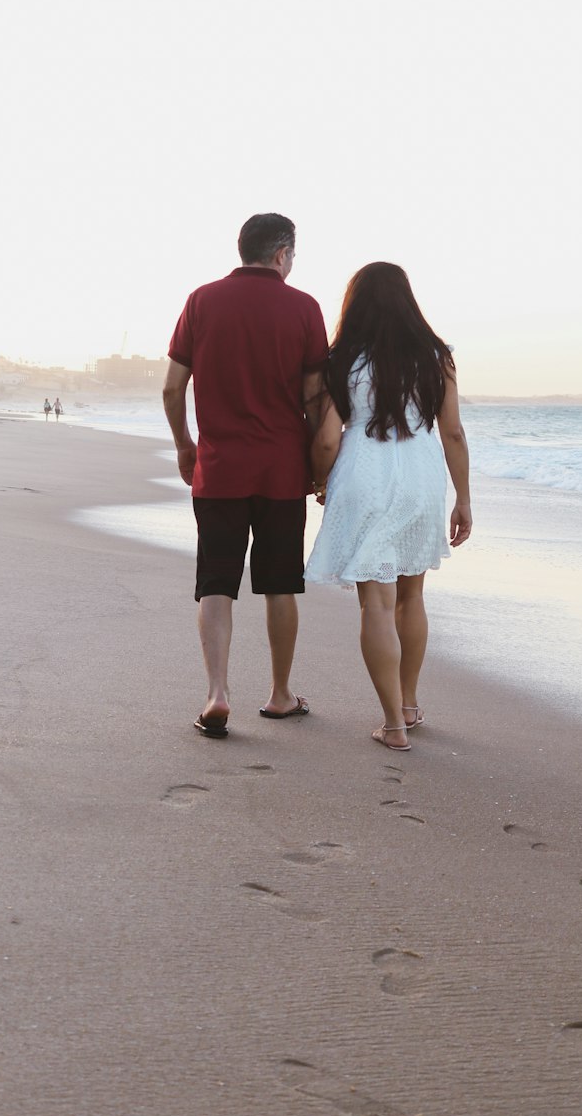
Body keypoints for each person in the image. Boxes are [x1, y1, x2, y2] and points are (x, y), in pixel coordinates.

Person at [163, 213, 328, 738]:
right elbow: (314, 399)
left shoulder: (201, 301)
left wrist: (185, 445)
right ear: (282, 254)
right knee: (281, 584)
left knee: (216, 583)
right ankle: (280, 695)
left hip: (219, 470)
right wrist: (320, 466)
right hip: (282, 472)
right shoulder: (304, 308)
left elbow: (172, 388)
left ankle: (217, 692)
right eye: (293, 256)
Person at [305, 262, 472, 752]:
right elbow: (454, 433)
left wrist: (319, 480)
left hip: (363, 474)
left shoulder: (342, 360)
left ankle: (392, 724)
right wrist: (463, 497)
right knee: (412, 596)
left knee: (375, 602)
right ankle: (410, 704)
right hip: (422, 476)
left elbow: (329, 436)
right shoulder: (436, 356)